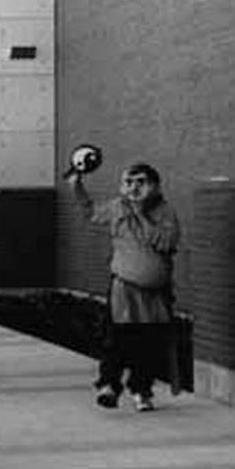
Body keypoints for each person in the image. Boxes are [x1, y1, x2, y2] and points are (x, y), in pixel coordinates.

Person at [69, 162, 180, 412]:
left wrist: (139, 213)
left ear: (154, 185)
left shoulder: (166, 212)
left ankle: (141, 391)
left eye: (141, 182)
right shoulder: (116, 207)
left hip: (154, 293)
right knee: (116, 338)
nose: (134, 188)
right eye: (128, 182)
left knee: (148, 343)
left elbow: (164, 241)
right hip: (123, 288)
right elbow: (90, 211)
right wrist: (77, 186)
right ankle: (108, 385)